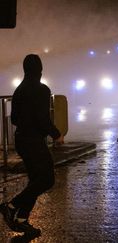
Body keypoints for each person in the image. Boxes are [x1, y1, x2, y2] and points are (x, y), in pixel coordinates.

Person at [0, 54, 64, 236]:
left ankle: (22, 219)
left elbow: (14, 119)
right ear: (40, 70)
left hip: (21, 139)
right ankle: (11, 206)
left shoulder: (19, 90)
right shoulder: (42, 90)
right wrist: (56, 134)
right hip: (34, 141)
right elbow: (43, 119)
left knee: (36, 181)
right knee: (47, 179)